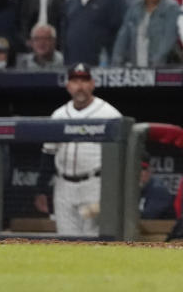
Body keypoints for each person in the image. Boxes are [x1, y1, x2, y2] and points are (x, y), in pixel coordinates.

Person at [35, 63, 122, 236]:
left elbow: (120, 158)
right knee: (66, 240)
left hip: (95, 186)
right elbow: (49, 154)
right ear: (68, 86)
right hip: (63, 187)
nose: (80, 86)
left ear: (92, 84)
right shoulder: (59, 115)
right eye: (75, 81)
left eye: (84, 80)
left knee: (93, 241)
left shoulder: (109, 114)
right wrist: (41, 189)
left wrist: (112, 193)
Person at [60, 0, 127, 66]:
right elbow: (64, 33)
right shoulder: (72, 1)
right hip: (73, 63)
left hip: (103, 64)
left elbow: (122, 32)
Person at [111, 0, 181, 66]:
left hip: (164, 66)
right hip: (137, 63)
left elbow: (169, 37)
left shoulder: (171, 7)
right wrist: (117, 60)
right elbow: (123, 35)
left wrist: (156, 61)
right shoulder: (134, 7)